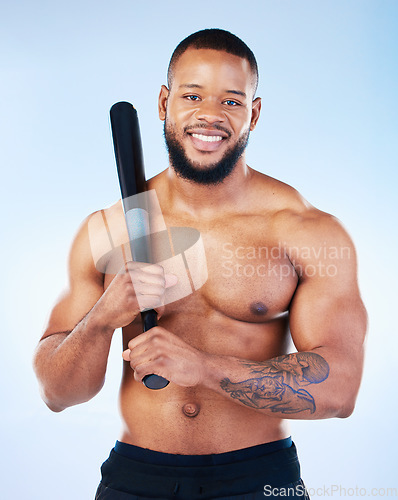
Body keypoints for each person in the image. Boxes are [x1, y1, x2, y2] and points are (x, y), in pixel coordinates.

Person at [33, 29, 367, 499]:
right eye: (192, 95)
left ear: (253, 113)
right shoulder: (107, 229)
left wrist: (205, 368)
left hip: (260, 478)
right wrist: (101, 320)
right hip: (136, 477)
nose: (209, 115)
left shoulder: (305, 231)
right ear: (164, 102)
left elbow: (341, 390)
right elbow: (57, 394)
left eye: (231, 101)